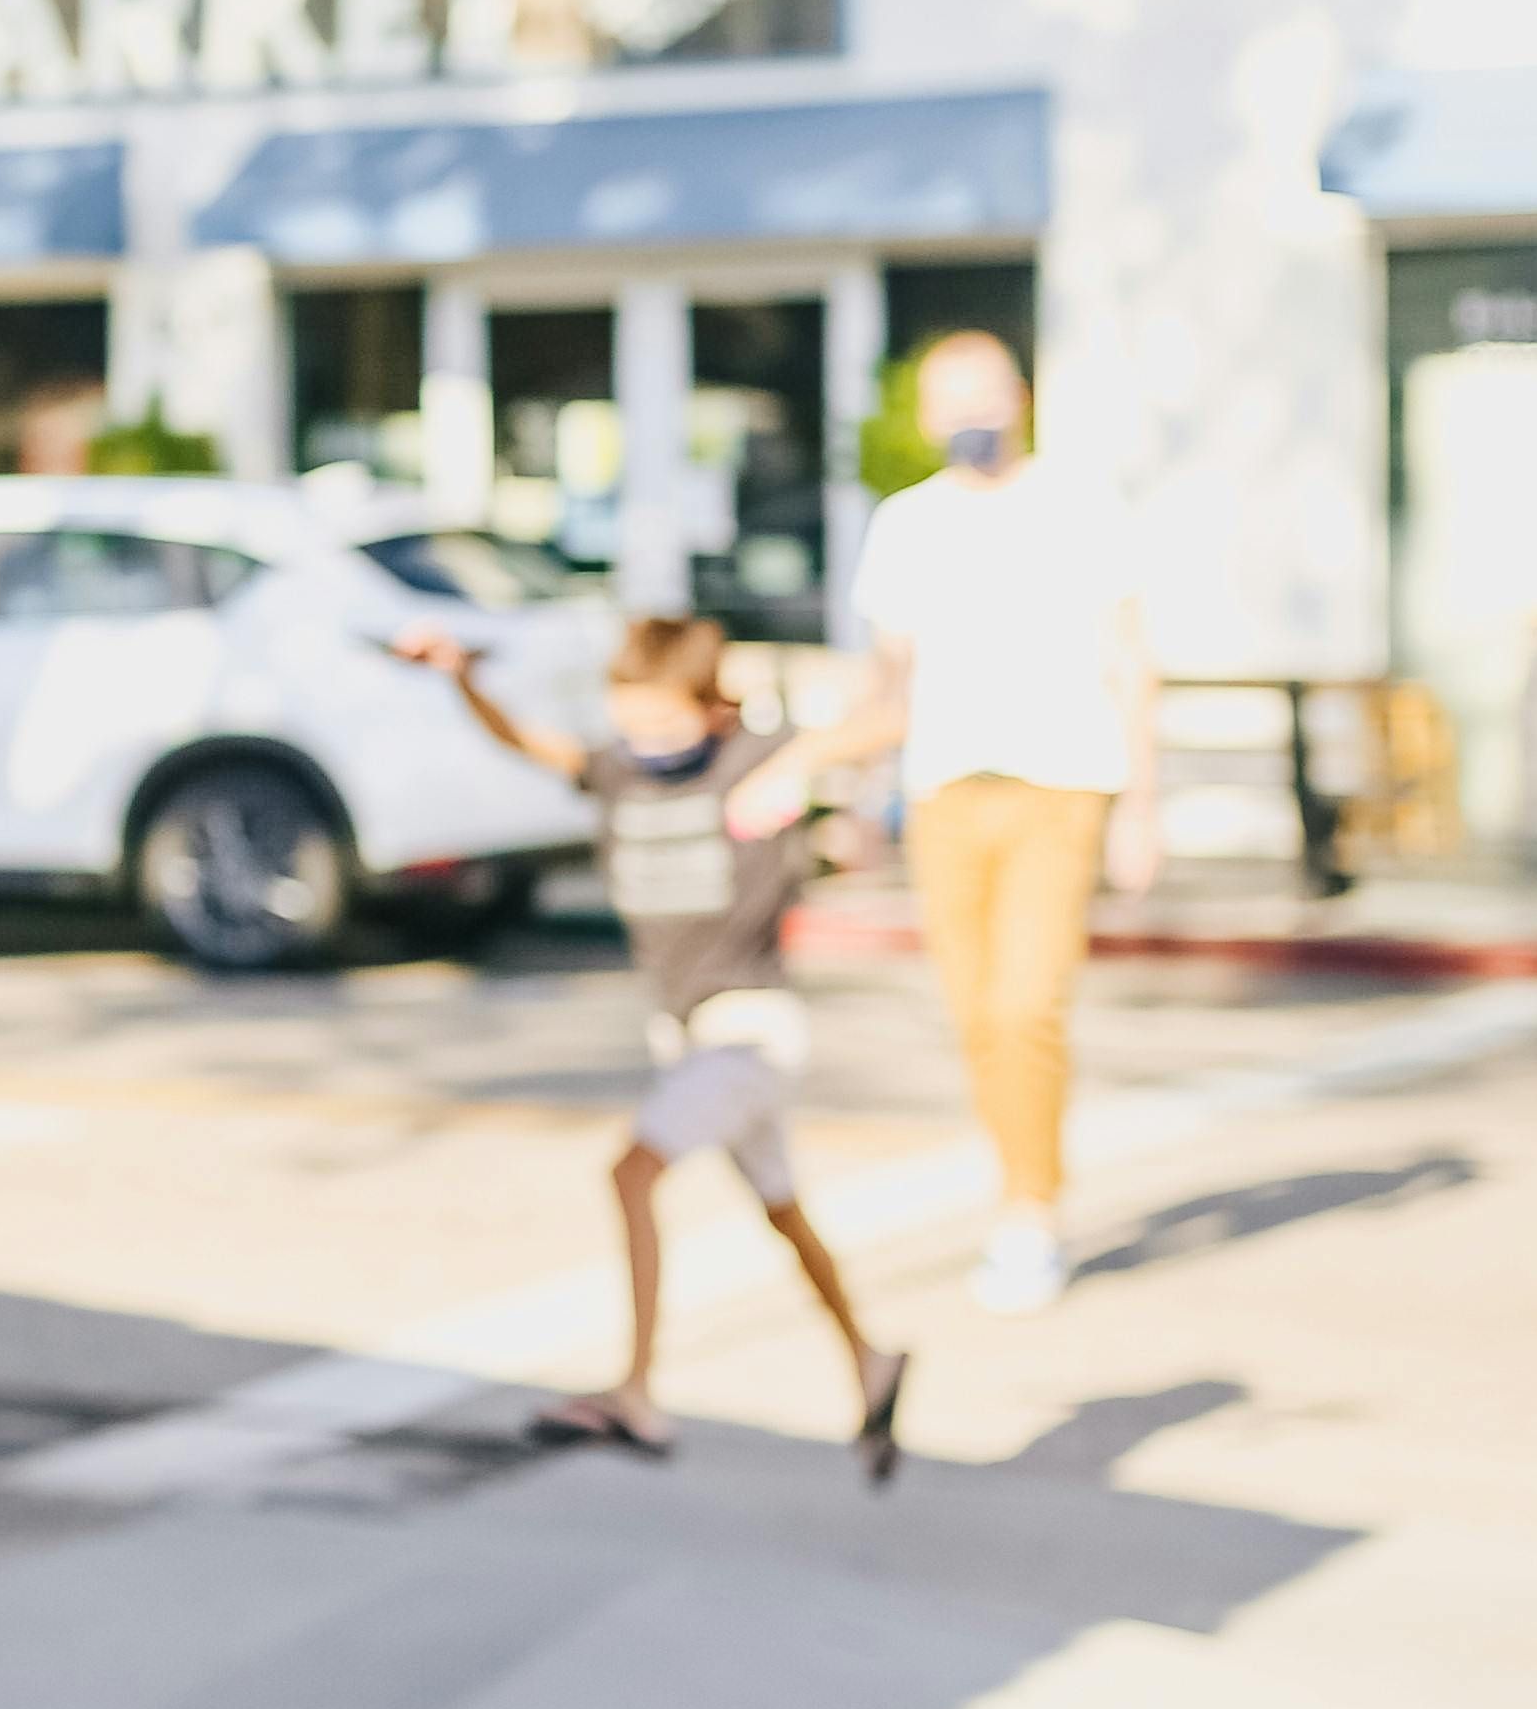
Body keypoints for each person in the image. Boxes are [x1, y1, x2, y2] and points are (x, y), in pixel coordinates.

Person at [395, 612, 902, 1480]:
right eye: (632, 722)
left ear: (713, 709)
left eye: (666, 722)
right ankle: (870, 1357)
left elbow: (886, 722)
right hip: (685, 1035)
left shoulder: (750, 758)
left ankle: (635, 1392)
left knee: (631, 1174)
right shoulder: (620, 771)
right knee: (783, 1213)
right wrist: (462, 678)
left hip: (749, 1030)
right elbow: (525, 741)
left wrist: (797, 763)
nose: (648, 739)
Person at [772, 330, 1159, 1312]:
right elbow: (888, 677)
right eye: (948, 402)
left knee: (1027, 1006)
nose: (967, 418)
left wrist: (1142, 806)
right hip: (943, 791)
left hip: (1059, 785)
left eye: (981, 396)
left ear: (1018, 398)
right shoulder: (907, 523)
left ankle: (1030, 1211)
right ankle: (1018, 1181)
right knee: (978, 1013)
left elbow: (1129, 660)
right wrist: (859, 799)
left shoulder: (1078, 504)